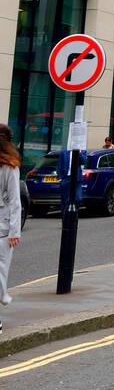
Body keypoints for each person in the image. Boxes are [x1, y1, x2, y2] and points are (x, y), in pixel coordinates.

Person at [0, 124, 22, 328]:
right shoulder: (9, 166)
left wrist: (15, 231)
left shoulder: (9, 167)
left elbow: (15, 201)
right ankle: (3, 296)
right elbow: (15, 201)